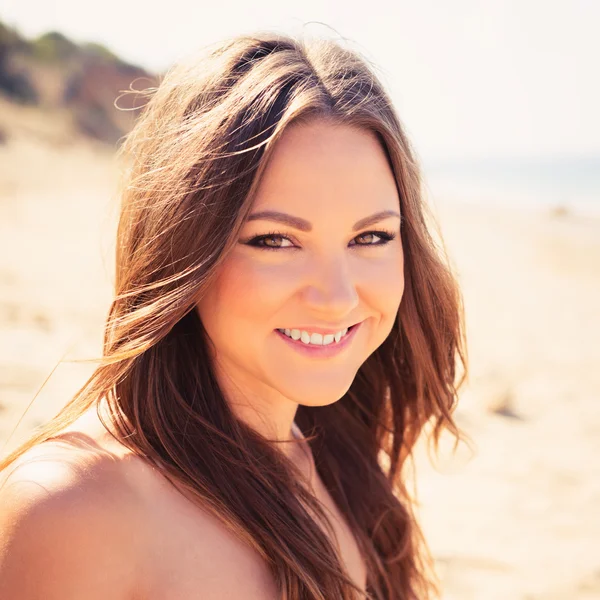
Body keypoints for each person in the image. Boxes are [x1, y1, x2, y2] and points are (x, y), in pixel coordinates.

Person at [0, 31, 468, 600]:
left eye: (370, 236)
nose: (337, 296)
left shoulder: (334, 461)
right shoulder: (75, 512)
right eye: (274, 241)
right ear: (185, 244)